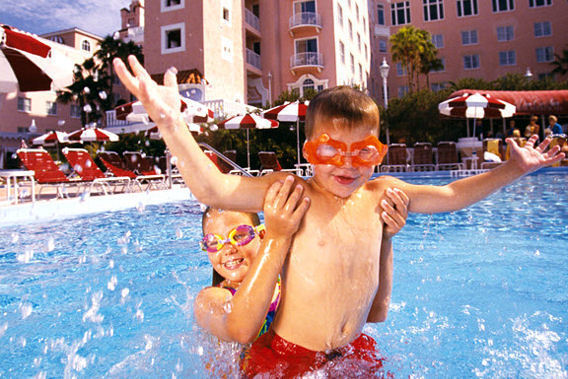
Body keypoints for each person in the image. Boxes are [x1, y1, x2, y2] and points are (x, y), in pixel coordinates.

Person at [113, 56, 564, 377]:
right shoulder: (292, 193)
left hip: (353, 352)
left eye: (363, 151)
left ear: (378, 152)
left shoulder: (382, 193)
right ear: (308, 151)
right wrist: (170, 123)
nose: (346, 164)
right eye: (330, 149)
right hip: (288, 358)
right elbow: (213, 188)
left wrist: (512, 169)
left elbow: (450, 193)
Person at [194, 179, 409, 345]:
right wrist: (277, 238)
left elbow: (375, 312)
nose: (228, 249)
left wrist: (383, 239)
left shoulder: (292, 280)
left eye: (239, 235)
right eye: (213, 242)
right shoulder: (209, 299)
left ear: (261, 235)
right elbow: (240, 331)